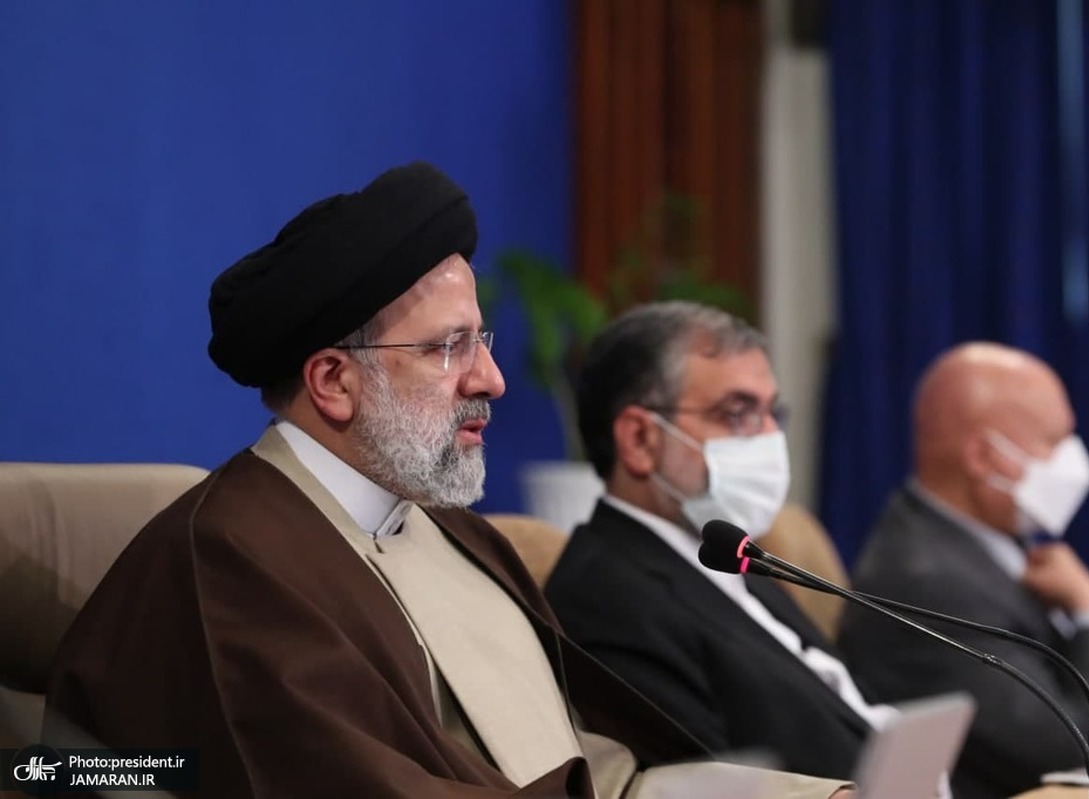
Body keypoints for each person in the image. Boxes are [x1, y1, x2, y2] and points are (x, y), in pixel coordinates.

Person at [41, 164, 853, 799]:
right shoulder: (229, 561)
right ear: (333, 381)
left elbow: (607, 775)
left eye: (482, 340)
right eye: (446, 347)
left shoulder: (456, 535)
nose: (492, 379)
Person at [544, 301, 894, 783]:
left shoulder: (727, 556)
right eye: (738, 414)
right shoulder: (606, 599)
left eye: (772, 413)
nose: (770, 438)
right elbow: (709, 783)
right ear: (640, 440)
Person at [838, 342, 1089, 799]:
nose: (1074, 461)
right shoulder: (925, 581)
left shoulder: (995, 542)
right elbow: (1069, 751)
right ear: (983, 457)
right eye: (1054, 441)